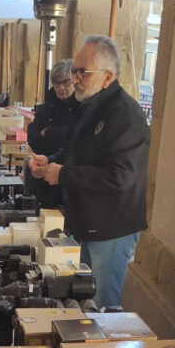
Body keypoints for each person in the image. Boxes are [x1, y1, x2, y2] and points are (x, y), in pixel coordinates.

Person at [29, 35, 150, 310]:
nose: (75, 78)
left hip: (111, 229)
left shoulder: (125, 115)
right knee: (83, 303)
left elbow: (120, 176)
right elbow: (75, 154)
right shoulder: (89, 107)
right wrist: (49, 163)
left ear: (107, 77)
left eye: (82, 72)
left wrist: (63, 174)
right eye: (75, 71)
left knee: (104, 310)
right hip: (85, 224)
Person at [27, 59, 80, 208]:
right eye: (57, 83)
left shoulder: (82, 107)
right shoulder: (46, 107)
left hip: (68, 175)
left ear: (74, 81)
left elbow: (74, 140)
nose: (61, 87)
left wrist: (48, 133)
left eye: (66, 82)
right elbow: (33, 135)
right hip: (43, 175)